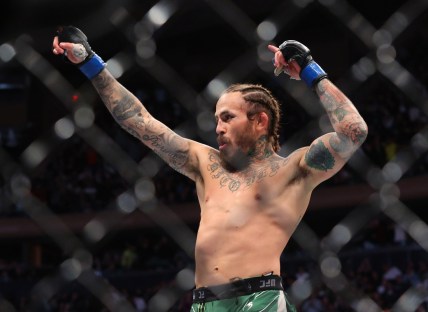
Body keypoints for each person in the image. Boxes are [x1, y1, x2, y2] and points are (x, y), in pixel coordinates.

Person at [52, 26, 368, 312]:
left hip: (260, 299)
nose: (217, 127)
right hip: (203, 304)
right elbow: (138, 121)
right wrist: (90, 63)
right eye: (217, 118)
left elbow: (353, 131)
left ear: (260, 122)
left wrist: (311, 72)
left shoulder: (293, 170)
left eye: (228, 118)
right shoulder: (205, 163)